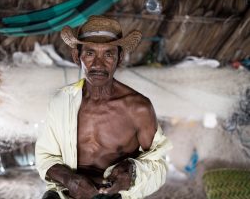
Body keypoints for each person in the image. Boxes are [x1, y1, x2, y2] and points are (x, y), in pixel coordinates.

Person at [35, 16, 172, 199]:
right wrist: (69, 180)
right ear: (77, 56)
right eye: (90, 53)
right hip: (68, 193)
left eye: (108, 54)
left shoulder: (138, 108)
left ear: (120, 58)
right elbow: (46, 157)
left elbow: (159, 167)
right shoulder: (61, 101)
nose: (98, 64)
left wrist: (132, 172)